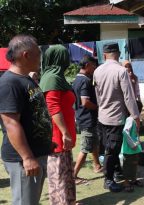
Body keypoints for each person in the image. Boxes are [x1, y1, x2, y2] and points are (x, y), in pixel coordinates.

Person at [0, 35, 53, 205]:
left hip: (37, 152)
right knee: (25, 202)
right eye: (38, 53)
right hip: (23, 159)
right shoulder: (9, 83)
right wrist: (27, 157)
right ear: (26, 55)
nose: (40, 57)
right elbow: (10, 123)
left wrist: (46, 143)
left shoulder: (26, 79)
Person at [93, 42, 140, 192]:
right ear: (118, 54)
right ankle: (108, 180)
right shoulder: (121, 71)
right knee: (112, 150)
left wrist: (102, 107)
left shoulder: (97, 70)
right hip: (116, 117)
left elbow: (98, 96)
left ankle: (117, 173)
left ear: (105, 55)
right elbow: (129, 97)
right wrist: (136, 116)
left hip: (102, 116)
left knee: (109, 147)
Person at [40, 45, 77, 205]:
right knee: (59, 176)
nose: (68, 60)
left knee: (66, 173)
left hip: (63, 136)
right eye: (65, 56)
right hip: (57, 136)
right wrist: (65, 133)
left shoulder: (57, 77)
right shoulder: (52, 78)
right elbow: (52, 107)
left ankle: (68, 201)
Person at [72, 55, 103, 185]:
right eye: (93, 65)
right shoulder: (84, 81)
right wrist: (99, 108)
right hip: (86, 118)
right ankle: (73, 175)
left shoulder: (77, 79)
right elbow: (85, 102)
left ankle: (97, 166)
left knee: (93, 142)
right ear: (86, 65)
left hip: (83, 116)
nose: (94, 68)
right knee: (85, 148)